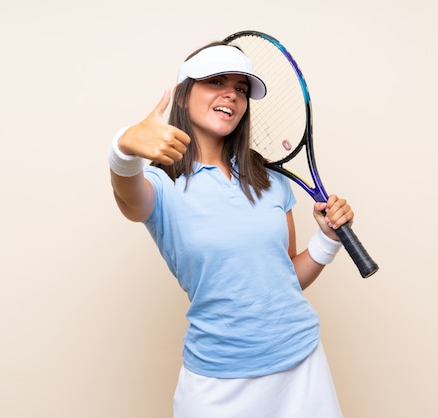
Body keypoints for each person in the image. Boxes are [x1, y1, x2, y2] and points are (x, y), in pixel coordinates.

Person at [108, 40, 353, 418]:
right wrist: (123, 151)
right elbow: (128, 198)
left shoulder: (270, 180)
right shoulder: (160, 184)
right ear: (183, 94)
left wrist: (327, 240)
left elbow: (283, 277)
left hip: (302, 366)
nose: (232, 96)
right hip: (218, 382)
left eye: (241, 89)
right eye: (216, 81)